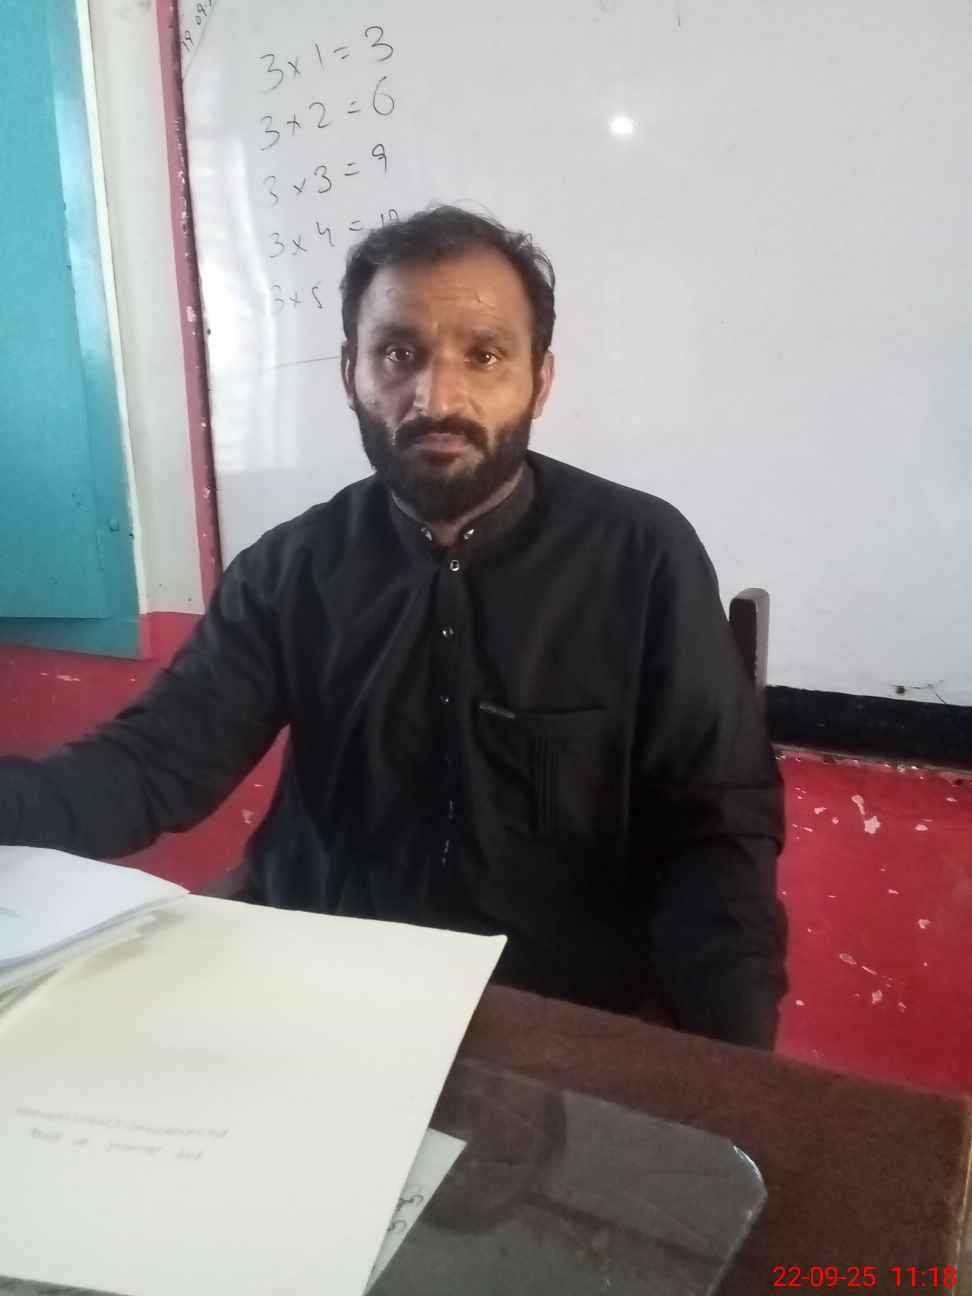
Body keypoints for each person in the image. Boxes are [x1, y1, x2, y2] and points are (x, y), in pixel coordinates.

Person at [0, 206, 786, 1046]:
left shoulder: (642, 556)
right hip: (317, 987)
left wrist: (731, 1067)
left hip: (554, 1017)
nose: (436, 398)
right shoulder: (289, 569)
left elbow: (718, 828)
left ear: (540, 380)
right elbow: (154, 766)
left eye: (485, 355)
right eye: (399, 354)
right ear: (352, 372)